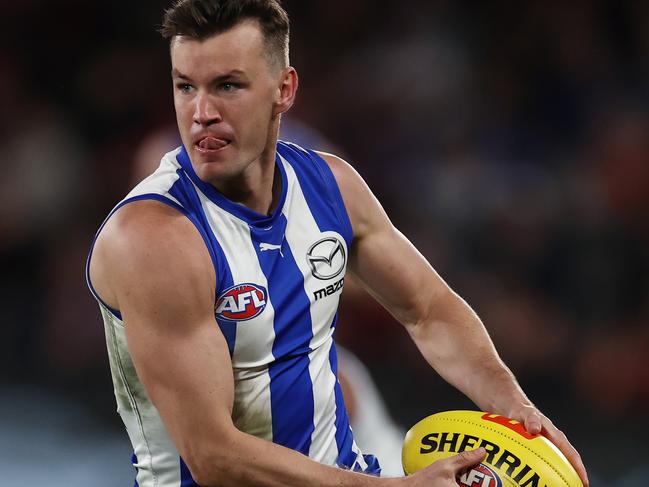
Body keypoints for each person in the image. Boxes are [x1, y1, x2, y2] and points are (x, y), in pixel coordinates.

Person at [86, 1, 589, 486]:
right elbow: (212, 455)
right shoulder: (153, 239)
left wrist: (514, 405)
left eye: (227, 86)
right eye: (185, 86)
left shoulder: (331, 187)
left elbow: (429, 310)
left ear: (284, 90)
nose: (201, 113)